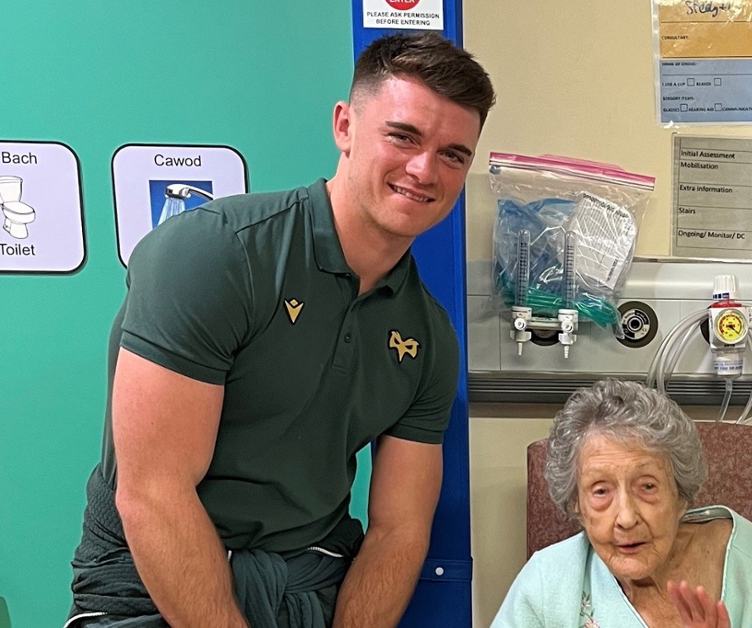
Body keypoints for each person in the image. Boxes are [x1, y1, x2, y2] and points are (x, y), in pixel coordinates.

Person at [66, 32, 494, 627]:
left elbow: (399, 531)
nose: (424, 170)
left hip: (306, 584)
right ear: (345, 126)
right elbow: (153, 495)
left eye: (453, 154)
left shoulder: (427, 334)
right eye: (403, 136)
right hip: (149, 584)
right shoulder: (217, 254)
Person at [492, 379, 752, 628]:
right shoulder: (548, 583)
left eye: (647, 486)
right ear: (576, 506)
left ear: (681, 496)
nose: (626, 517)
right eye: (600, 491)